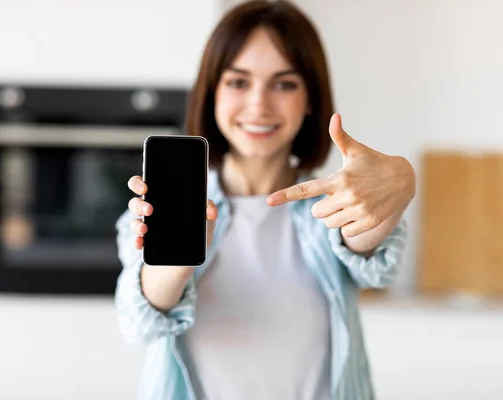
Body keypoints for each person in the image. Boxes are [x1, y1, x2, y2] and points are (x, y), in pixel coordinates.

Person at [114, 1, 415, 399]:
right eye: (238, 82)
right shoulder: (159, 208)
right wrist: (179, 262)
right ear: (212, 93)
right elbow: (140, 325)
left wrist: (403, 180)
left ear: (310, 99)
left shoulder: (334, 204)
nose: (259, 104)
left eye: (284, 84)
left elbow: (372, 257)